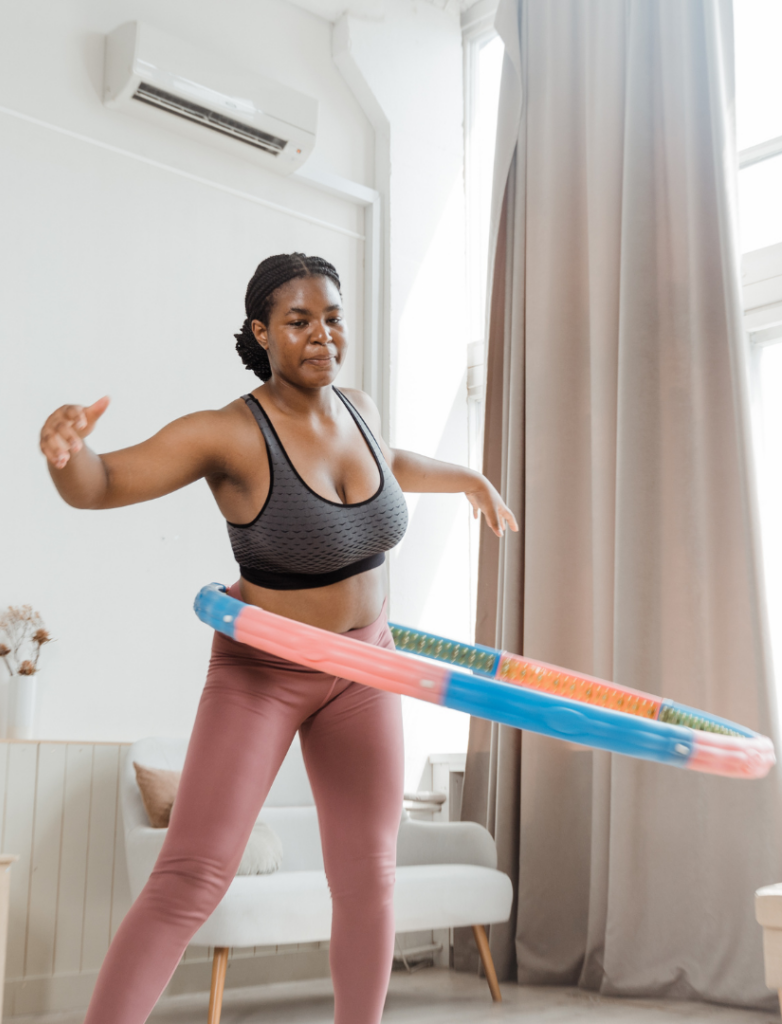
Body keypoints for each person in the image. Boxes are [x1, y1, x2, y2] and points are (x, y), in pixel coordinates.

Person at [39, 252, 518, 1024]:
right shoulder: (229, 433)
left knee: (369, 874)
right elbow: (103, 484)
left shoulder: (358, 406)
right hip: (263, 670)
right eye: (299, 321)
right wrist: (69, 455)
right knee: (191, 876)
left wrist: (467, 477)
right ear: (261, 332)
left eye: (332, 317)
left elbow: (386, 465)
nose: (321, 334)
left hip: (366, 664)